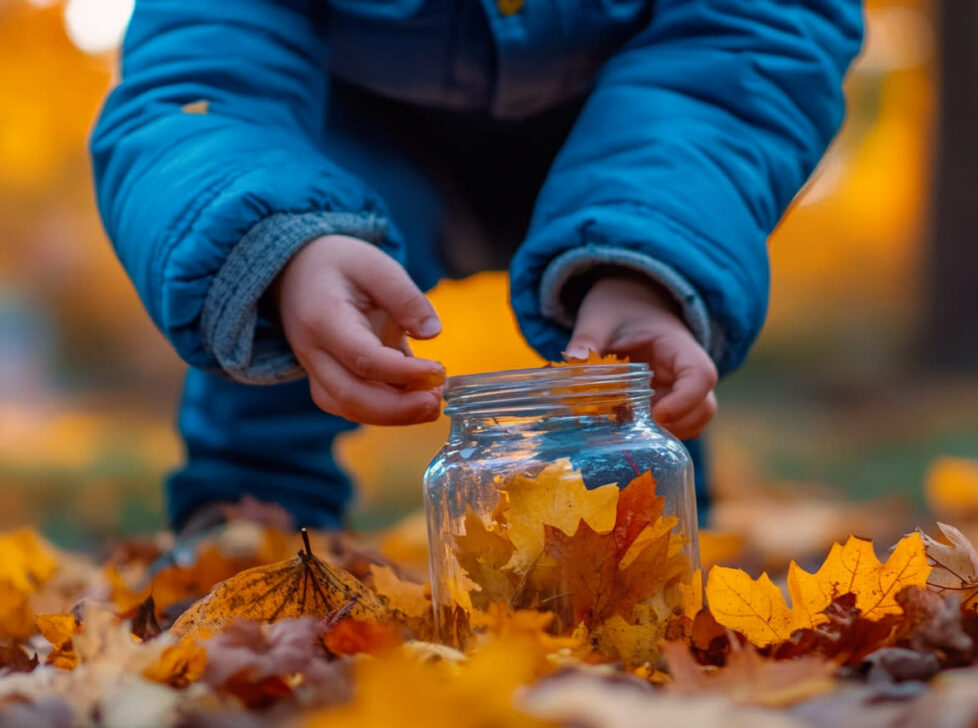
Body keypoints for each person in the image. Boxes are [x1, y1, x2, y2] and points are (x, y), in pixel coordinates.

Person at [90, 0, 863, 532]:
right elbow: (201, 74)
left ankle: (648, 531)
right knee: (282, 316)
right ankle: (249, 524)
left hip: (633, 132)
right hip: (350, 139)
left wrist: (654, 260)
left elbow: (748, 49)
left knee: (629, 376)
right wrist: (281, 245)